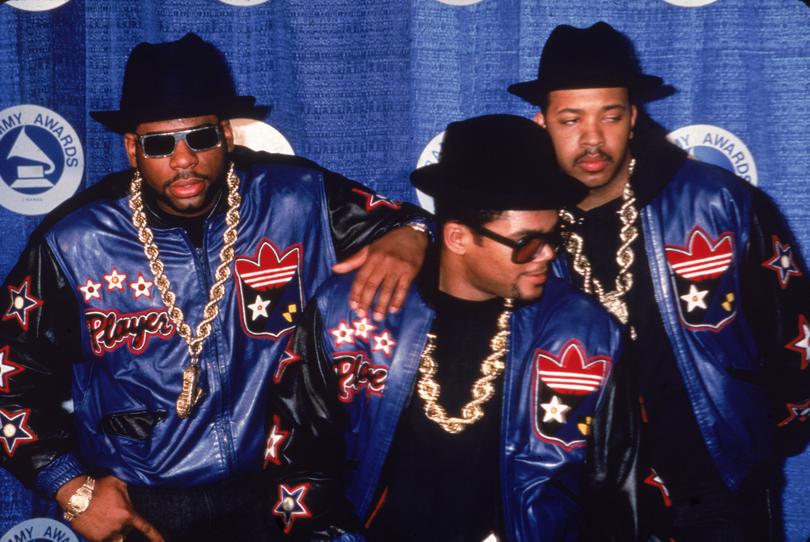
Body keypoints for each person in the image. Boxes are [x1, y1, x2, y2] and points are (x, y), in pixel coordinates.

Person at [0, 33, 430, 542]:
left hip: (282, 493)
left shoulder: (297, 197)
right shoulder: (76, 239)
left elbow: (416, 229)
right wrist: (69, 486)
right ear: (133, 149)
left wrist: (414, 233)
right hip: (145, 501)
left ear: (226, 135)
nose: (184, 160)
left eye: (199, 137)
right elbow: (9, 370)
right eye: (160, 144)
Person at [263, 114, 640, 541]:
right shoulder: (346, 312)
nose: (548, 254)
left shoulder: (585, 332)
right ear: (458, 238)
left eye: (556, 235)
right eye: (527, 243)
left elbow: (622, 488)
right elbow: (298, 464)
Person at [509, 21, 810, 541]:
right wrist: (406, 234)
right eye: (570, 119)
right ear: (542, 125)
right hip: (586, 489)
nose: (592, 139)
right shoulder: (519, 222)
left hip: (716, 481)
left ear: (633, 118)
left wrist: (757, 439)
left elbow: (791, 324)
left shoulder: (716, 202)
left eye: (610, 116)